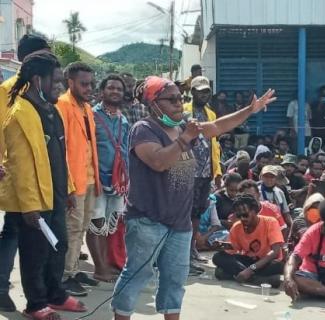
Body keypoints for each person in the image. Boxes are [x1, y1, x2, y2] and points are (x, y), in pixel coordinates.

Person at [110, 76, 276, 320]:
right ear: (154, 104)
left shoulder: (183, 127)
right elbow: (158, 162)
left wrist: (250, 110)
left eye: (181, 98)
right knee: (137, 275)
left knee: (175, 281)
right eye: (172, 99)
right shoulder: (143, 130)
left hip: (180, 223)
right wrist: (185, 138)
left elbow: (218, 126)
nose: (179, 103)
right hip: (148, 221)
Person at [0, 51, 87, 318]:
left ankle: (55, 294)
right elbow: (21, 167)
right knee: (34, 254)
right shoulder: (19, 114)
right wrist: (29, 207)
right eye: (57, 81)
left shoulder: (52, 111)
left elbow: (61, 155)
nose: (61, 87)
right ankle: (35, 304)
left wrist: (69, 188)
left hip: (56, 195)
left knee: (58, 246)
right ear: (38, 81)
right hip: (33, 200)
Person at [0, 34, 51, 313]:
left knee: (24, 234)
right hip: (14, 174)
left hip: (39, 177)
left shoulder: (44, 91)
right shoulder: (10, 90)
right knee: (12, 231)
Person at [57, 61, 102, 296]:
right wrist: (68, 186)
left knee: (83, 226)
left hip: (90, 179)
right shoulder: (62, 105)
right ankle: (66, 276)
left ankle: (74, 270)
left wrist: (98, 180)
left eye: (91, 84)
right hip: (73, 181)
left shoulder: (86, 108)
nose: (89, 88)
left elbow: (90, 145)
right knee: (72, 229)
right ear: (70, 82)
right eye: (84, 84)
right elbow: (61, 149)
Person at [89, 75, 130, 282]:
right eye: (111, 88)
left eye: (119, 89)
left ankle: (105, 264)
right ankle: (100, 268)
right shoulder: (92, 115)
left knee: (108, 225)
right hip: (97, 178)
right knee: (96, 223)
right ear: (102, 91)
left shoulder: (123, 118)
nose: (115, 92)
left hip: (118, 182)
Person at [183, 76, 223, 268]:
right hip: (187, 170)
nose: (204, 94)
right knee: (185, 213)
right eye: (200, 91)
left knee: (197, 213)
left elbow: (214, 144)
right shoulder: (183, 112)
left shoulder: (211, 114)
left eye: (207, 91)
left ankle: (192, 249)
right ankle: (183, 253)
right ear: (192, 92)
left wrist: (218, 171)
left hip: (206, 171)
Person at [212, 194, 285, 287]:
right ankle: (256, 279)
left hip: (267, 261)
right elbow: (234, 248)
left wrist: (250, 269)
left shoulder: (271, 222)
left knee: (278, 266)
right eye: (239, 216)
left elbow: (275, 251)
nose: (242, 218)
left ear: (254, 211)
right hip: (249, 260)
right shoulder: (237, 226)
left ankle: (240, 275)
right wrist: (222, 246)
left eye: (245, 215)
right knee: (218, 257)